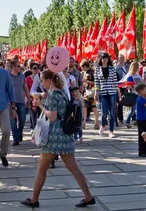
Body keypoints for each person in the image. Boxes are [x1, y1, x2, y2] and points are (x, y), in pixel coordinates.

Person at [21, 70, 96, 208]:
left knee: (42, 167)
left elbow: (52, 116)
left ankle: (34, 199)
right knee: (73, 167)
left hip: (55, 137)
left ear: (49, 80)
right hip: (66, 136)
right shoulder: (62, 92)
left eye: (42, 81)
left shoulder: (53, 95)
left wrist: (40, 105)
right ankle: (88, 196)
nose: (42, 84)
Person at [94, 53, 118, 138]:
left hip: (112, 92)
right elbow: (96, 82)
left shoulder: (112, 69)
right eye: (103, 58)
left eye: (106, 58)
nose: (104, 60)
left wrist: (118, 92)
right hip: (102, 92)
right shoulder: (97, 69)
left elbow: (115, 81)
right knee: (104, 113)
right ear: (100, 59)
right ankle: (103, 125)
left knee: (111, 113)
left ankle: (111, 131)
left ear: (108, 59)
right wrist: (96, 92)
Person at [10, 60, 29, 146]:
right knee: (13, 122)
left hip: (21, 100)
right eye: (18, 66)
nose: (19, 67)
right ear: (13, 67)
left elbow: (25, 86)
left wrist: (28, 97)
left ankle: (19, 132)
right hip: (11, 102)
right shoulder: (8, 76)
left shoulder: (22, 76)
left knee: (22, 119)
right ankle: (15, 139)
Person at [135, 83, 146, 157]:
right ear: (141, 91)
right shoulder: (141, 99)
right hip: (142, 119)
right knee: (143, 135)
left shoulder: (142, 98)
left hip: (144, 119)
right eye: (145, 89)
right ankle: (143, 150)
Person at [125, 62, 143, 128]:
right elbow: (128, 87)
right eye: (138, 67)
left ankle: (138, 121)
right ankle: (127, 122)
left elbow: (142, 82)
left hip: (138, 93)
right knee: (132, 110)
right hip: (132, 94)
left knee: (137, 109)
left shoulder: (137, 75)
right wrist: (132, 84)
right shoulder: (130, 76)